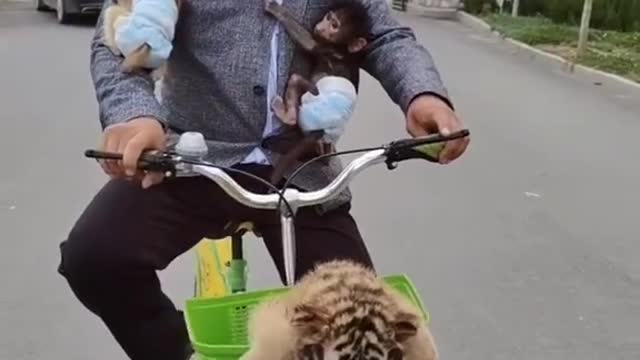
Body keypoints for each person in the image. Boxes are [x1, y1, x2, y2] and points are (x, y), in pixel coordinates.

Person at [57, 0, 470, 359]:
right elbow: (117, 38)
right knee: (95, 259)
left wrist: (423, 94)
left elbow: (385, 35)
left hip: (302, 172)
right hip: (194, 158)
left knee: (361, 320)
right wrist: (135, 114)